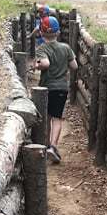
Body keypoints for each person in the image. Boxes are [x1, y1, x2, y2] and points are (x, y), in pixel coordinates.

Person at [33, 15, 77, 163]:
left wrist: (38, 65)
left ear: (41, 33)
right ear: (58, 33)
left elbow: (45, 64)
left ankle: (45, 146)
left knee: (47, 118)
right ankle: (53, 146)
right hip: (62, 89)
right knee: (57, 118)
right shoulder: (66, 48)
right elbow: (74, 66)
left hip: (46, 88)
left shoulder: (42, 48)